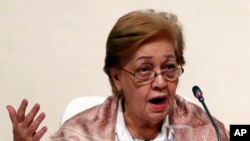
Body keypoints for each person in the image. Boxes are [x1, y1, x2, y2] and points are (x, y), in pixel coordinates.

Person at [6, 9, 230, 141]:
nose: (161, 82)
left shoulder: (206, 130)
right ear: (116, 78)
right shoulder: (83, 133)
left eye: (170, 67)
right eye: (144, 70)